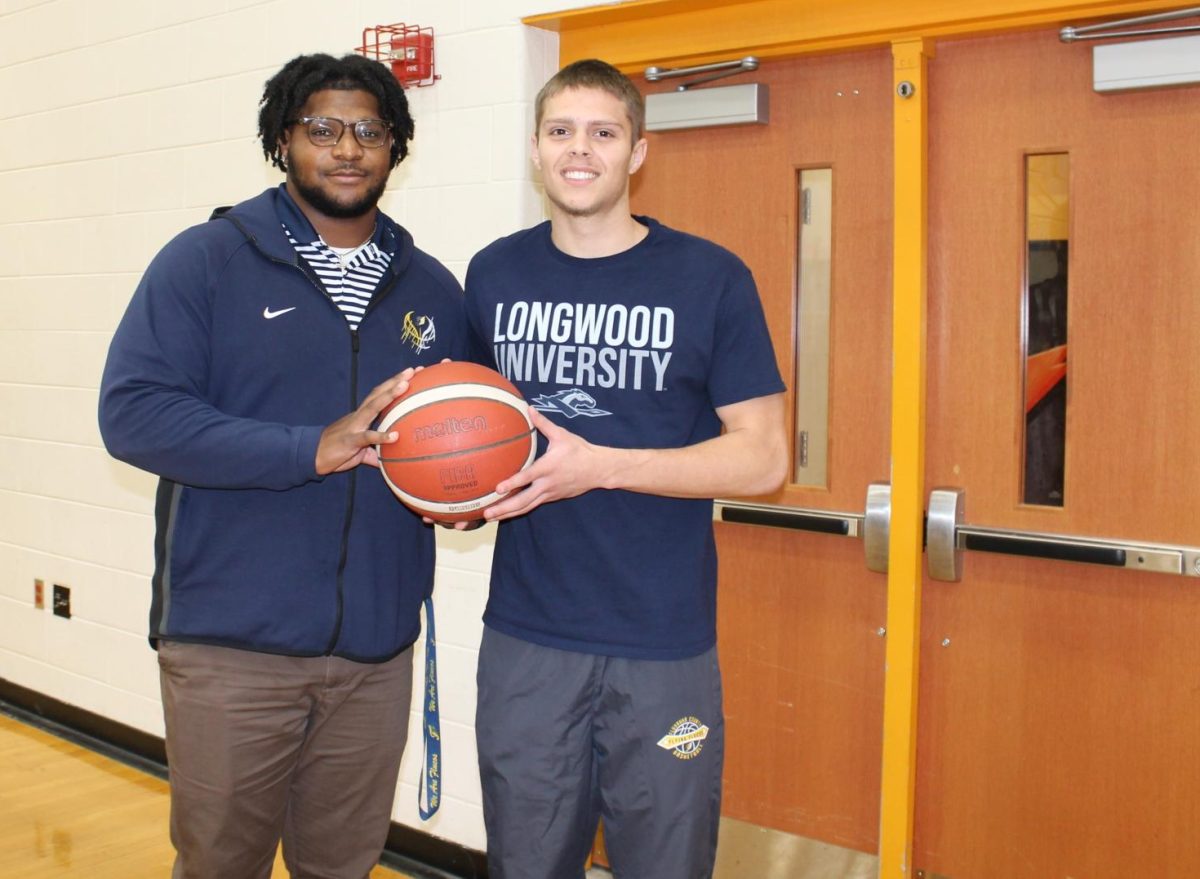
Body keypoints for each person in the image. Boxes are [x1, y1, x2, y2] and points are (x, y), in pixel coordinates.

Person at [98, 53, 473, 879]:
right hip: (235, 649)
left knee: (341, 868)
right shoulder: (205, 262)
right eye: (322, 128)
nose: (348, 148)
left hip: (376, 652)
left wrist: (470, 492)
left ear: (396, 148)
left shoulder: (436, 293)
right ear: (281, 141)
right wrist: (307, 447)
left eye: (370, 130)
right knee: (221, 866)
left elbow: (469, 441)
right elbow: (132, 414)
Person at [464, 59, 789, 879]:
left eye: (604, 133)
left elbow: (764, 457)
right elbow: (472, 433)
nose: (581, 150)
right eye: (561, 131)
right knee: (525, 865)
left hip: (662, 639)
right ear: (536, 149)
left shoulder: (710, 278)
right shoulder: (494, 273)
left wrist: (601, 466)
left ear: (637, 152)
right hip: (528, 636)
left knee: (667, 865)